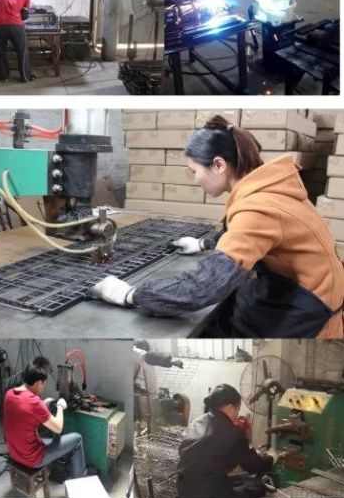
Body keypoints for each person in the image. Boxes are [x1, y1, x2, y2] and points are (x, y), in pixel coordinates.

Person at [94, 116, 344, 341]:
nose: (195, 179)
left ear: (218, 164)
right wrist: (203, 244)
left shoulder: (259, 207)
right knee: (235, 305)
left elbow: (204, 287)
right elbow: (258, 236)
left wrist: (130, 294)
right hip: (308, 289)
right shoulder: (270, 189)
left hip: (311, 311)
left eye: (195, 170)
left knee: (220, 321)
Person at [177, 384, 275, 498]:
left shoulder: (196, 422)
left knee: (240, 478)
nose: (238, 415)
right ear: (230, 408)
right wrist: (271, 457)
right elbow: (253, 466)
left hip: (184, 490)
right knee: (258, 487)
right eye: (238, 410)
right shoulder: (233, 433)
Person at [3, 361, 87, 485]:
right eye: (44, 384)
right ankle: (81, 483)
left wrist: (44, 405)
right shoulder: (34, 402)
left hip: (14, 452)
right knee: (77, 439)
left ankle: (59, 470)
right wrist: (59, 407)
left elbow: (24, 415)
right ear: (38, 383)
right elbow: (58, 428)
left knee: (49, 435)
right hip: (32, 459)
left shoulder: (10, 394)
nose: (44, 387)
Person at [0, 0, 31, 84]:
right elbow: (25, 16)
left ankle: (4, 77)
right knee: (22, 51)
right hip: (16, 26)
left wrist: (2, 13)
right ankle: (25, 77)